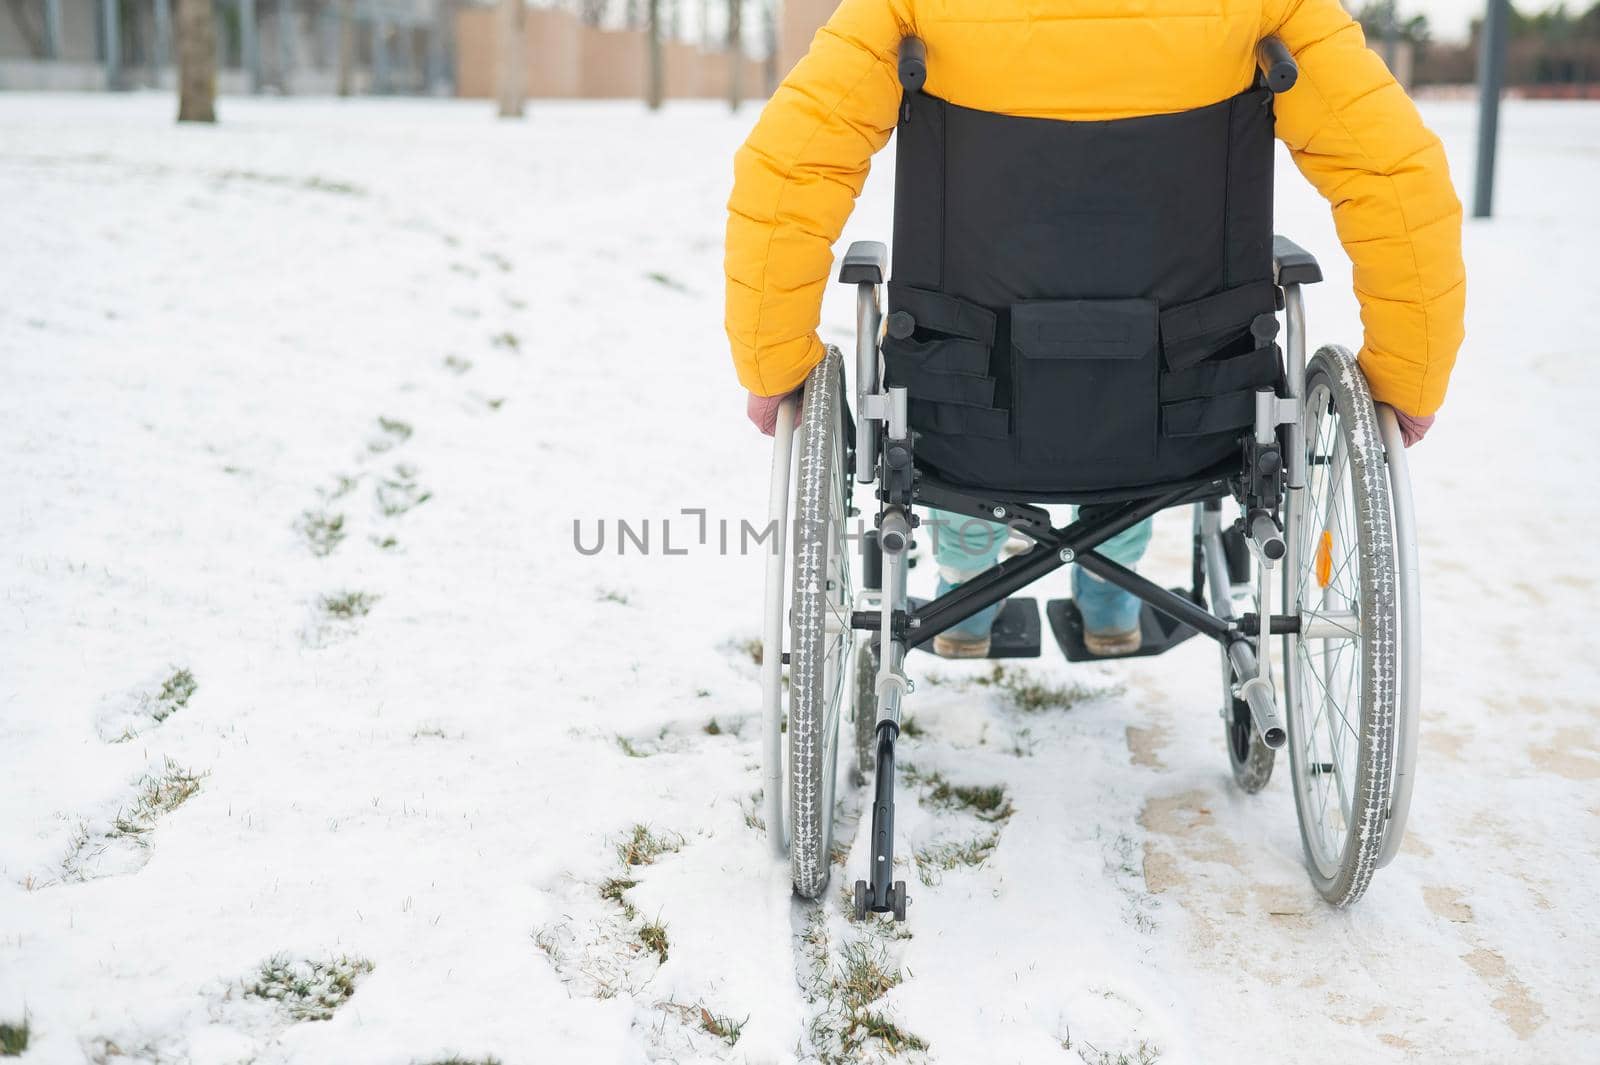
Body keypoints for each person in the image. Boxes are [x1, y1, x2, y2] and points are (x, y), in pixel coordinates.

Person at [728, 0, 1464, 658]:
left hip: (963, 407)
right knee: (1138, 381)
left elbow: (789, 169)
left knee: (961, 380)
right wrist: (1409, 377)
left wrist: (773, 362)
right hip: (1188, 408)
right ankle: (1113, 588)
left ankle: (964, 570)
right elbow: (1395, 179)